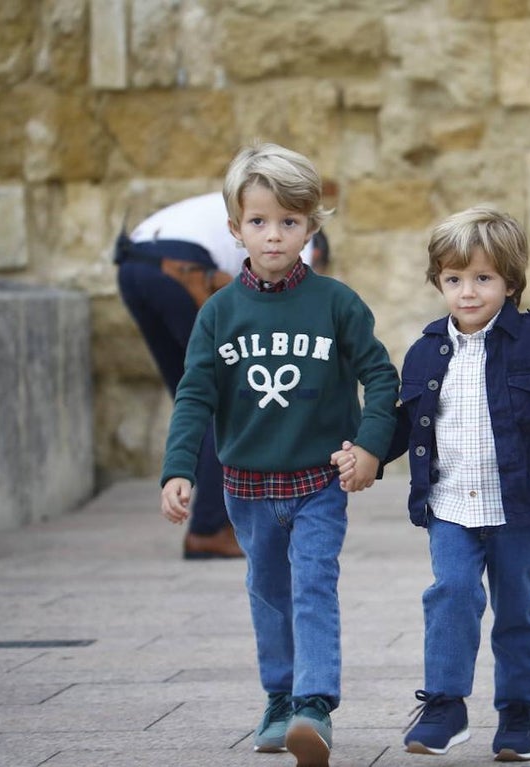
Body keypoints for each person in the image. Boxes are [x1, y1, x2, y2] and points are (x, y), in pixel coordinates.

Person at [333, 206, 530, 762]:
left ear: (510, 282)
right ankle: (445, 703)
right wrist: (366, 453)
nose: (467, 292)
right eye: (454, 279)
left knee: (517, 607)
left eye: (483, 278)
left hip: (519, 505)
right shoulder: (424, 350)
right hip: (448, 504)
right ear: (438, 280)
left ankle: (517, 710)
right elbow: (403, 421)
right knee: (452, 593)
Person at [159, 142, 399, 767]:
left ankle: (314, 705)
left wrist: (371, 446)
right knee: (268, 589)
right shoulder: (218, 313)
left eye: (289, 222)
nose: (273, 236)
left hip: (320, 480)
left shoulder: (337, 304)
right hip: (247, 487)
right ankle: (279, 696)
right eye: (259, 222)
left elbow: (382, 377)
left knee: (314, 583)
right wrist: (179, 468)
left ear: (311, 225)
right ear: (236, 228)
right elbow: (193, 396)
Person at [116, 192, 322, 559]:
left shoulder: (247, 209)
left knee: (192, 395)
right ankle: (209, 527)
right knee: (228, 403)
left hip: (134, 265)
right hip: (181, 265)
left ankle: (210, 514)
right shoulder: (300, 241)